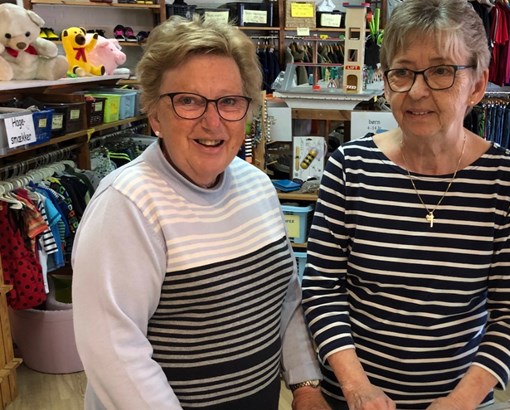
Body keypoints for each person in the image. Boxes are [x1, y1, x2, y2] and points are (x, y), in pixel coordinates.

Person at [72, 15, 330, 410]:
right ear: (155, 114)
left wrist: (306, 385)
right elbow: (114, 353)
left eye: (229, 101)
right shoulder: (128, 204)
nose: (213, 122)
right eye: (189, 101)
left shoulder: (257, 185)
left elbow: (285, 298)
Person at [301, 0, 510, 409]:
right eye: (402, 72)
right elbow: (323, 288)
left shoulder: (507, 182)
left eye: (441, 71)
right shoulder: (349, 167)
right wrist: (357, 387)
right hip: (352, 398)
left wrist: (462, 400)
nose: (417, 91)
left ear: (477, 85)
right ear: (386, 83)